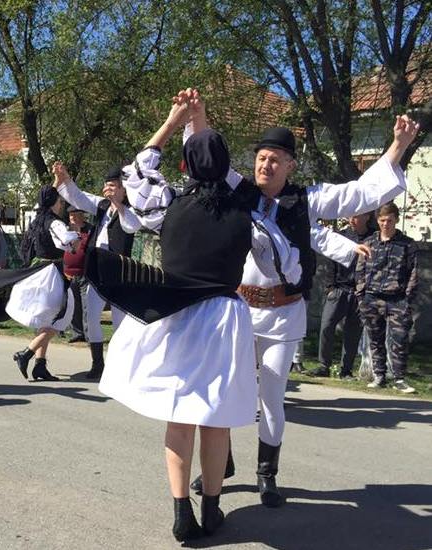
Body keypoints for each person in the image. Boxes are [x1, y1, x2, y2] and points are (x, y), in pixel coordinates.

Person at [184, 91, 419, 507]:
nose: (265, 163)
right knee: (229, 391)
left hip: (282, 314)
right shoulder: (239, 191)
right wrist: (197, 117)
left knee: (271, 395)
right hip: (239, 311)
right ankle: (223, 464)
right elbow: (208, 159)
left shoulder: (309, 201)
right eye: (261, 156)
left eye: (275, 158)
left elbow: (359, 193)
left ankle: (266, 474)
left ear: (290, 166)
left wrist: (397, 147)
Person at [85, 96, 302, 542]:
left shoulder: (167, 203)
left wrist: (171, 122)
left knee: (179, 417)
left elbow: (136, 171)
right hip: (224, 317)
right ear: (226, 166)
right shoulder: (249, 217)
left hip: (176, 310)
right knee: (214, 417)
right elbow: (287, 262)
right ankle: (212, 510)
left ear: (185, 165)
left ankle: (182, 512)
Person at [54, 163, 136, 379]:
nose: (108, 189)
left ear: (123, 189)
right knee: (91, 317)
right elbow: (79, 198)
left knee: (120, 322)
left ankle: (119, 366)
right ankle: (97, 364)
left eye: (113, 186)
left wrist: (119, 204)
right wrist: (65, 178)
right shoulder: (101, 206)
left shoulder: (130, 210)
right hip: (97, 270)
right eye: (107, 185)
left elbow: (132, 225)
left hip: (118, 272)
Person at [0, 185, 80, 381]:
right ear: (53, 203)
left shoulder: (37, 221)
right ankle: (26, 353)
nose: (62, 205)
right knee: (61, 317)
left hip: (39, 273)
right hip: (51, 274)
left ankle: (40, 365)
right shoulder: (54, 223)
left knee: (46, 320)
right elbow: (68, 243)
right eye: (60, 202)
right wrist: (76, 232)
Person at [356, 201, 418, 394]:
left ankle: (399, 378)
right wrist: (361, 296)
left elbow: (413, 273)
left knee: (399, 339)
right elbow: (360, 271)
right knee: (375, 338)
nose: (385, 224)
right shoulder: (369, 243)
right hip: (372, 298)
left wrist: (407, 298)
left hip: (397, 299)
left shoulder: (407, 244)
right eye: (382, 220)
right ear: (377, 220)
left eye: (389, 220)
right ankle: (379, 375)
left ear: (396, 220)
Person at [308, 213, 373, 378]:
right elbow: (331, 260)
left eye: (357, 216)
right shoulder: (342, 236)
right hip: (338, 289)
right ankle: (324, 365)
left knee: (353, 332)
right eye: (350, 216)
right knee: (327, 326)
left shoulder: (373, 238)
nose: (352, 219)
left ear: (367, 216)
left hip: (360, 292)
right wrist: (330, 287)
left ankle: (346, 370)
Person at [63, 207, 93, 344]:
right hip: (69, 274)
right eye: (71, 215)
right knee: (74, 304)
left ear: (82, 215)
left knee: (87, 306)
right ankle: (77, 332)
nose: (72, 218)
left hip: (85, 274)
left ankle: (89, 335)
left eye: (75, 215)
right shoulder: (66, 231)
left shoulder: (91, 231)